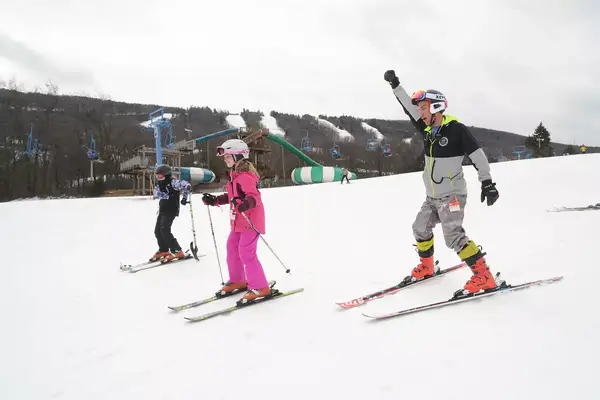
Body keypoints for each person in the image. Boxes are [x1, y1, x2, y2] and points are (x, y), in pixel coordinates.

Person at [383, 69, 500, 296]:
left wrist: (487, 182)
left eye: (423, 107)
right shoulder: (427, 130)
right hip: (432, 196)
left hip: (452, 196)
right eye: (419, 109)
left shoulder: (456, 130)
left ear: (436, 107)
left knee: (453, 236)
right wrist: (395, 85)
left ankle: (483, 276)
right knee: (420, 228)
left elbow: (478, 155)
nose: (419, 112)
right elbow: (408, 106)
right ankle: (427, 267)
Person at [201, 139, 271, 302]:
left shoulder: (245, 176)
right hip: (239, 222)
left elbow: (254, 197)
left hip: (251, 221)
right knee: (232, 248)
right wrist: (216, 201)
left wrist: (245, 204)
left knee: (246, 253)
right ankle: (238, 280)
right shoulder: (234, 175)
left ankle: (261, 287)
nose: (225, 159)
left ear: (239, 155)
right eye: (224, 157)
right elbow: (233, 197)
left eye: (228, 156)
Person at [150, 164, 192, 262]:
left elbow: (185, 185)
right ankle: (164, 249)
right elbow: (156, 193)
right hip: (163, 209)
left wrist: (185, 197)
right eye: (157, 176)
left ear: (167, 175)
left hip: (171, 209)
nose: (159, 178)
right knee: (157, 231)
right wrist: (162, 195)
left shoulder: (173, 182)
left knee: (164, 230)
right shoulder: (159, 184)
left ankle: (177, 250)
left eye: (160, 176)